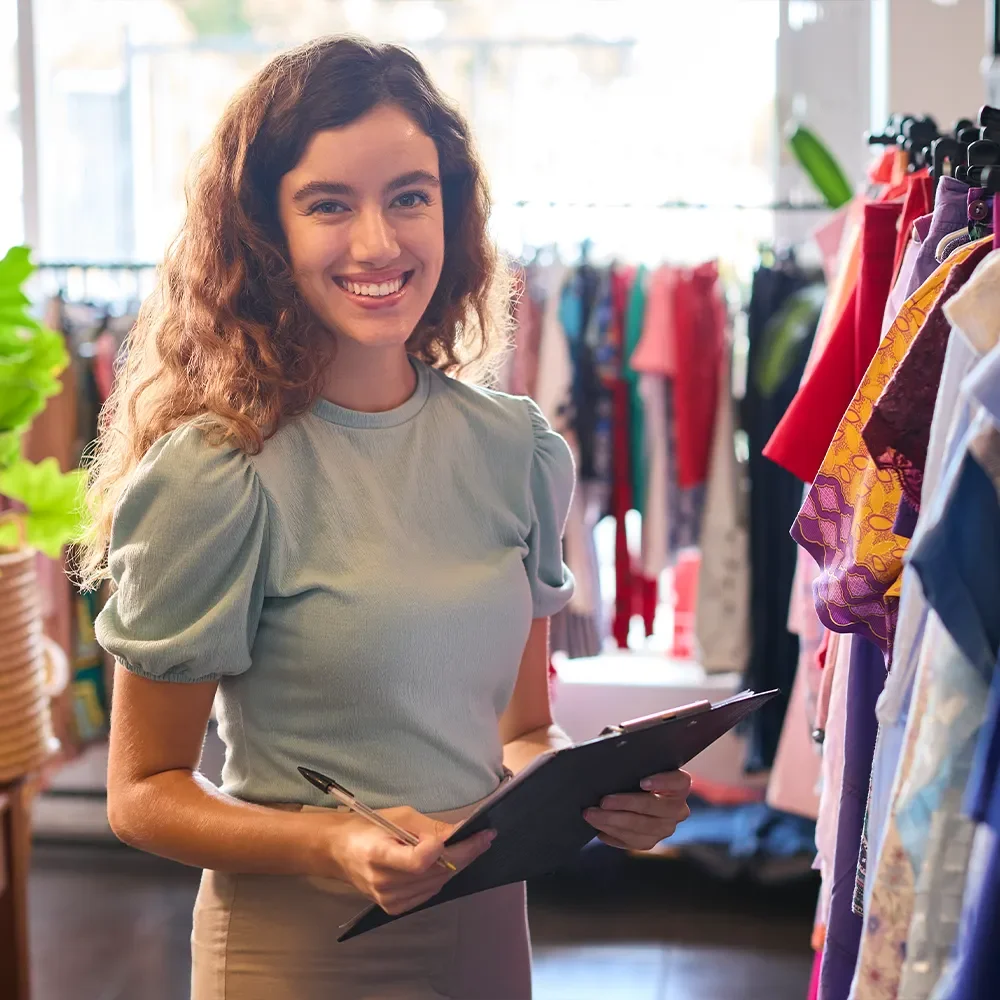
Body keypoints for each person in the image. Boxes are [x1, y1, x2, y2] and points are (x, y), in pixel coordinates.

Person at [79, 35, 692, 1000]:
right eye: (330, 204)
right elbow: (142, 794)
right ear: (264, 233)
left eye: (410, 196)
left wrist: (597, 797)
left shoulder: (514, 448)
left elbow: (524, 731)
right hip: (299, 951)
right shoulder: (217, 475)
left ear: (452, 210)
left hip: (490, 932)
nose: (378, 243)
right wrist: (334, 840)